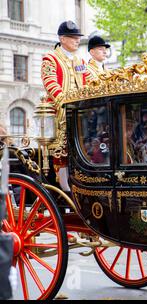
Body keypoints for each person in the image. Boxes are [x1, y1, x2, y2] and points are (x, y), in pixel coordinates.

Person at [41, 21, 89, 191]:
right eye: (73, 37)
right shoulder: (50, 58)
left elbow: (89, 82)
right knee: (62, 148)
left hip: (80, 111)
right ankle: (64, 185)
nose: (77, 40)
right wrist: (66, 103)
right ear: (62, 39)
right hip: (60, 113)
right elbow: (51, 84)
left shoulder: (80, 60)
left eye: (78, 37)